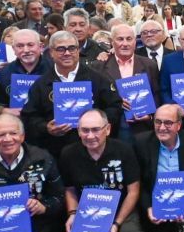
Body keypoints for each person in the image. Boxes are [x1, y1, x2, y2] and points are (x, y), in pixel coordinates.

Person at [58, 109, 148, 232]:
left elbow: (133, 191)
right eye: (85, 130)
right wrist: (73, 214)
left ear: (107, 129)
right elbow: (70, 189)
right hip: (90, 211)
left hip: (122, 207)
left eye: (96, 129)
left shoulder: (124, 150)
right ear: (78, 131)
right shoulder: (68, 154)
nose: (90, 136)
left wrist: (116, 223)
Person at [22, 30, 123, 163]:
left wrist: (97, 124)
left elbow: (115, 107)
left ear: (78, 50)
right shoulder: (40, 84)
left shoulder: (98, 79)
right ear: (51, 52)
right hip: (55, 152)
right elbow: (29, 117)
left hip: (94, 151)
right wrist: (46, 127)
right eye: (61, 49)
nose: (67, 53)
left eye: (72, 48)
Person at [0, 28, 53, 113]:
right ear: (13, 49)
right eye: (20, 46)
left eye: (30, 45)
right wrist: (4, 111)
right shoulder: (5, 73)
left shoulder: (54, 69)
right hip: (15, 119)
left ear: (41, 47)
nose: (26, 50)